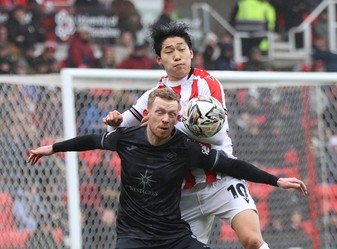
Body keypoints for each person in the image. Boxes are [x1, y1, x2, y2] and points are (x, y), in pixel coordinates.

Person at [102, 21, 303, 249]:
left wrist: (166, 126)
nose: (177, 55)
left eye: (181, 49)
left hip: (221, 180)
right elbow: (117, 133)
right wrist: (114, 122)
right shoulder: (153, 97)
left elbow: (215, 135)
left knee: (252, 240)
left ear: (191, 52)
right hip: (182, 192)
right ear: (159, 59)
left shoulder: (207, 84)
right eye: (169, 51)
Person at [28, 88, 308, 249]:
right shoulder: (126, 138)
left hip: (173, 236)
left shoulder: (185, 147)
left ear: (178, 119)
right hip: (133, 236)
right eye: (160, 112)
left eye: (171, 115)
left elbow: (232, 164)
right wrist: (53, 148)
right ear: (147, 114)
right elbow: (91, 140)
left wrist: (277, 180)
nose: (165, 119)